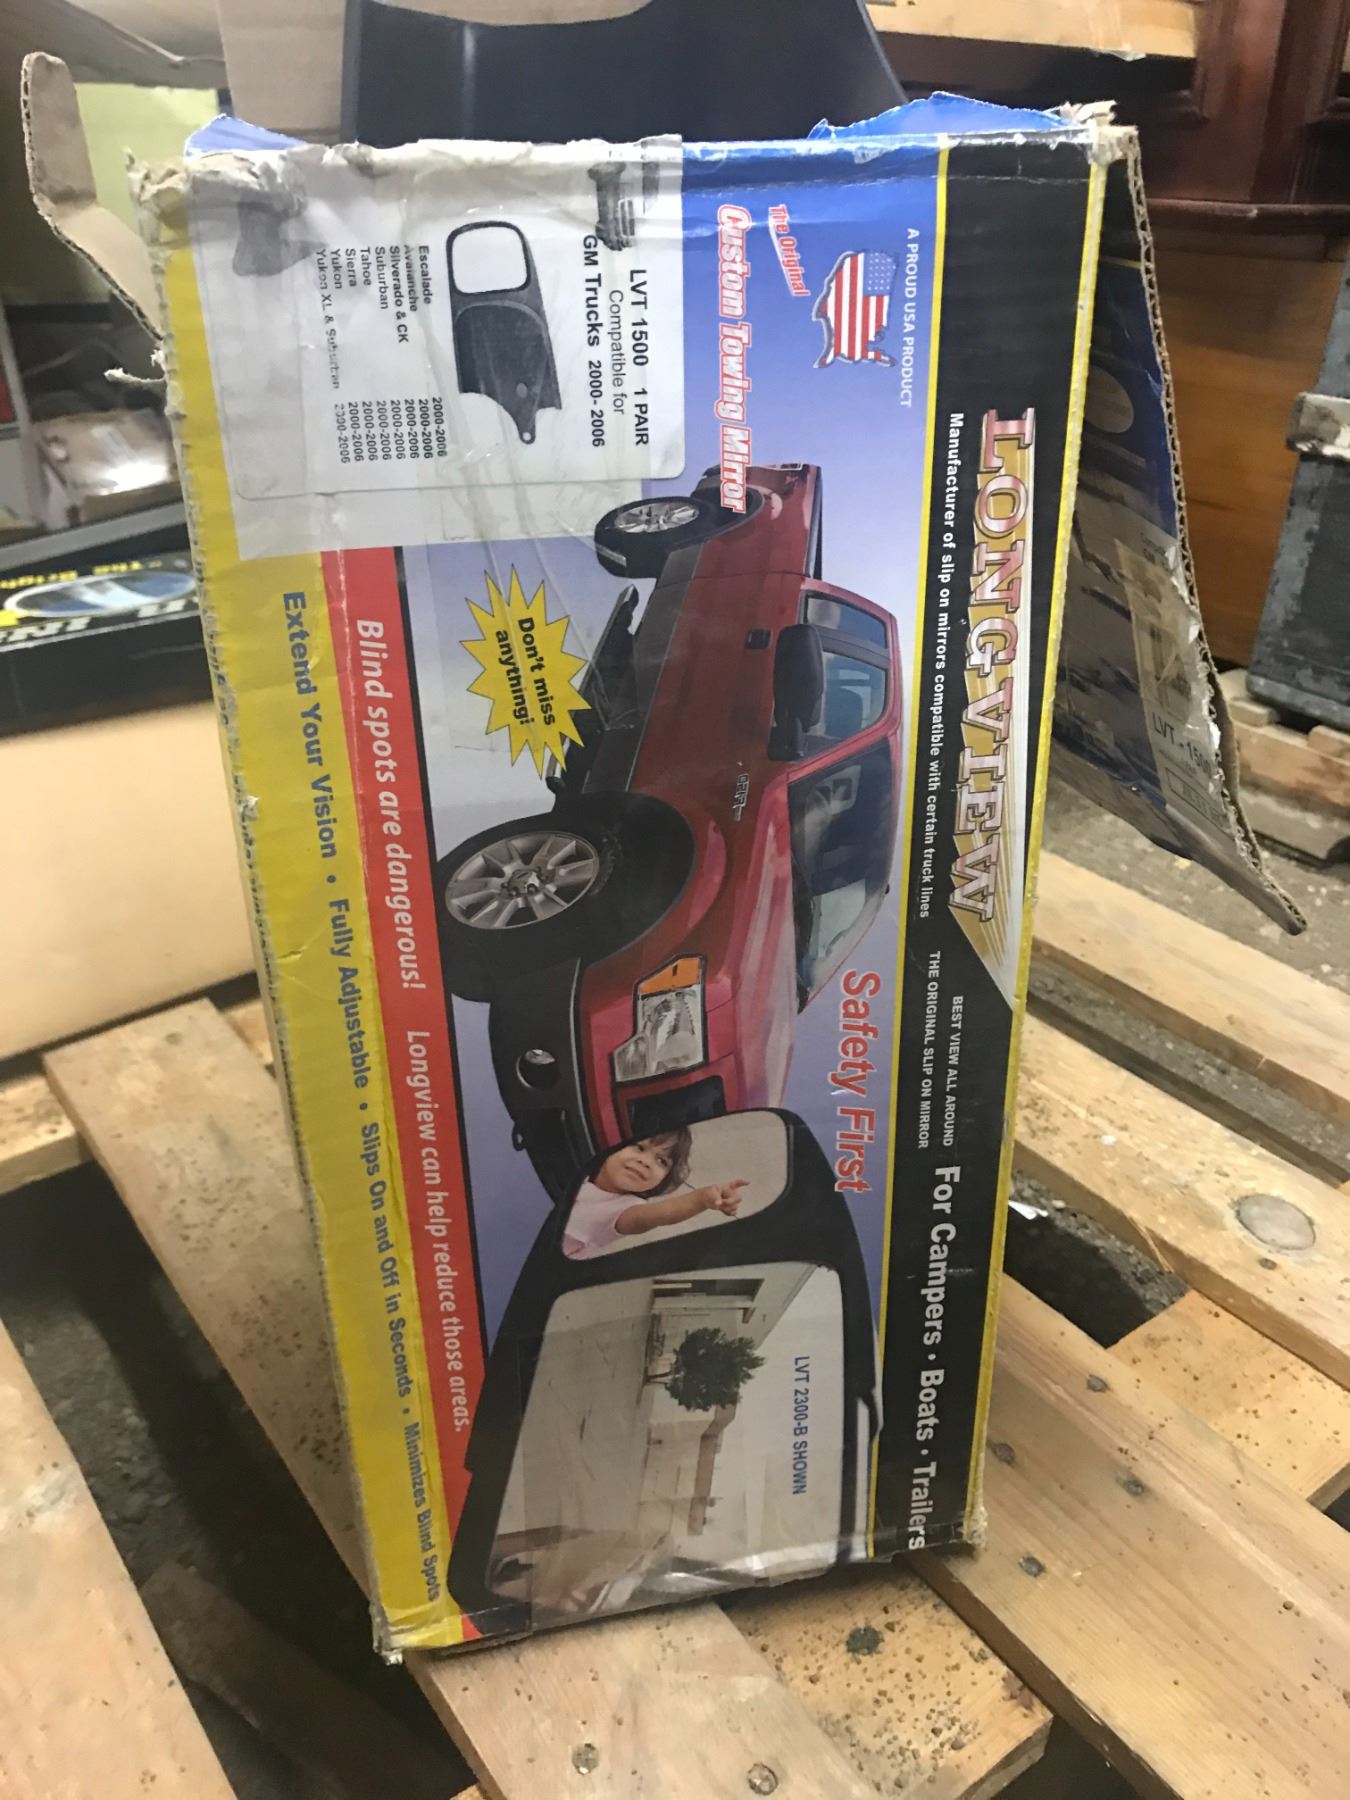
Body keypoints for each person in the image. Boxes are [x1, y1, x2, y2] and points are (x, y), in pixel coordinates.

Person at [562, 1129, 748, 1259]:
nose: (645, 1162)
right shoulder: (577, 1172)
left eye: (661, 1161)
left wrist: (702, 1199)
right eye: (639, 1147)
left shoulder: (626, 1208)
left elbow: (660, 1214)